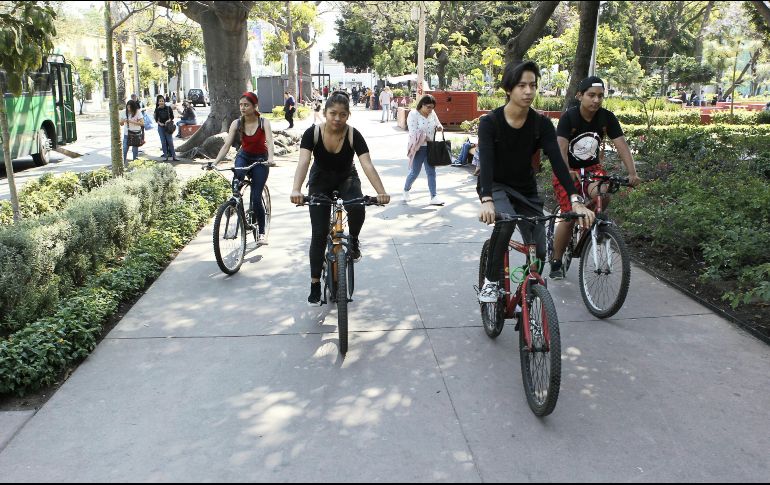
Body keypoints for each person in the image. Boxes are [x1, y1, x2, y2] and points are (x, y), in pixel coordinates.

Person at [477, 61, 595, 303]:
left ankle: (526, 294)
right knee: (506, 221)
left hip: (526, 190)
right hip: (495, 186)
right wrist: (487, 199)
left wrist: (575, 199)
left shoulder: (541, 124)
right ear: (509, 89)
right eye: (522, 86)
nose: (528, 91)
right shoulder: (490, 123)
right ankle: (490, 282)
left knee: (539, 252)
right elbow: (486, 163)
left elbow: (558, 163)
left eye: (532, 85)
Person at [290, 91, 391, 306]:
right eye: (333, 113)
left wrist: (381, 192)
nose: (337, 118)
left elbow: (367, 164)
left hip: (347, 177)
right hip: (320, 180)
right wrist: (296, 190)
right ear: (325, 113)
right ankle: (315, 283)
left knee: (357, 206)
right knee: (319, 233)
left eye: (342, 114)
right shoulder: (312, 133)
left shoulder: (354, 135)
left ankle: (353, 240)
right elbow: (303, 162)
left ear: (348, 115)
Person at [548, 76, 641, 279]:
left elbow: (621, 144)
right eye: (591, 95)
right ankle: (556, 260)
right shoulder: (569, 118)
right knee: (569, 216)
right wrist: (567, 171)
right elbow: (561, 148)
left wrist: (632, 173)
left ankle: (591, 224)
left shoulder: (607, 118)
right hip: (567, 170)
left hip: (591, 169)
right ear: (580, 96)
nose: (596, 100)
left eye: (600, 96)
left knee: (603, 194)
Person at [211, 92, 274, 244]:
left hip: (260, 160)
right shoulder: (237, 123)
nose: (243, 108)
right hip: (244, 156)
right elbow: (226, 145)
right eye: (241, 105)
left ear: (255, 106)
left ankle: (262, 233)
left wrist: (271, 159)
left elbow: (270, 142)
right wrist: (215, 162)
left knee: (256, 197)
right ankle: (233, 206)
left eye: (246, 105)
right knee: (236, 181)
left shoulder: (263, 122)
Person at [403, 94, 445, 206]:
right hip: (418, 148)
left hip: (431, 147)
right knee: (415, 172)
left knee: (431, 172)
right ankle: (406, 190)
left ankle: (434, 196)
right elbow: (413, 132)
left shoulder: (432, 113)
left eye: (432, 107)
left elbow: (438, 123)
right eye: (428, 107)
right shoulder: (413, 114)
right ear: (422, 105)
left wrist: (439, 127)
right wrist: (425, 138)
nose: (430, 110)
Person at [153, 94, 178, 162]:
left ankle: (174, 156)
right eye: (160, 101)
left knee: (170, 141)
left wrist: (168, 120)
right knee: (163, 142)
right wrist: (160, 123)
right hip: (161, 127)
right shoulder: (157, 110)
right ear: (158, 102)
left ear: (164, 101)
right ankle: (165, 156)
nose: (161, 102)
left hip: (168, 127)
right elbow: (156, 119)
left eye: (162, 101)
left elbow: (172, 116)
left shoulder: (168, 108)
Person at [119, 99, 143, 167]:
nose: (129, 109)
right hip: (127, 134)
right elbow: (121, 124)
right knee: (124, 150)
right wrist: (122, 121)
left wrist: (131, 121)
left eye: (130, 107)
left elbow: (142, 123)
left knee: (135, 151)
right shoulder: (123, 112)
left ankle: (135, 166)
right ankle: (122, 166)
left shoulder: (137, 112)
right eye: (128, 107)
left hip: (136, 134)